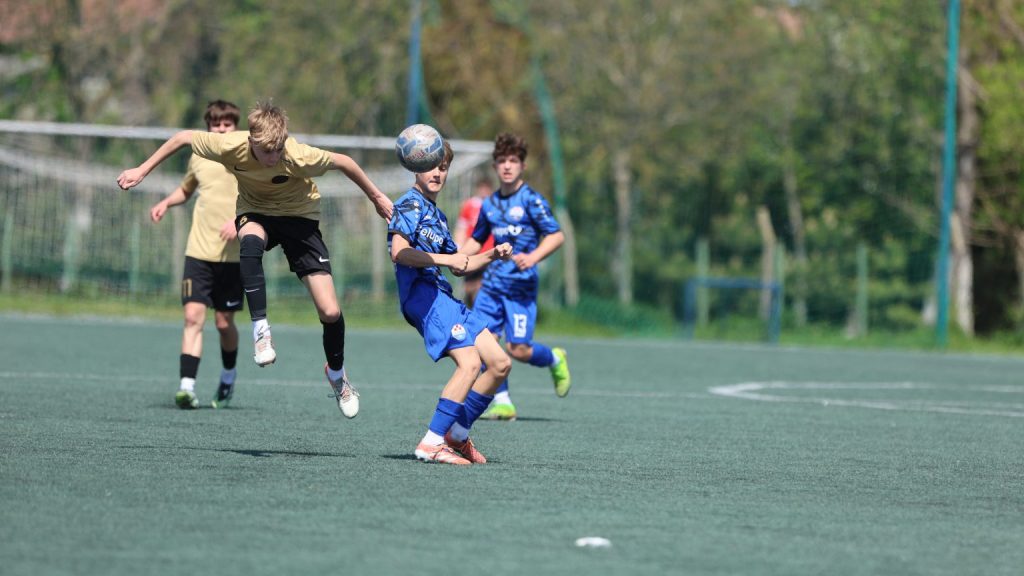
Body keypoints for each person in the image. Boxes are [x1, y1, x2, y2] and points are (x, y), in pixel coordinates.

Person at [118, 100, 393, 419]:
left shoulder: (297, 155)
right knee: (249, 242)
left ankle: (337, 374)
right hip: (255, 212)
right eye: (267, 152)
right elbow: (182, 138)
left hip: (299, 218)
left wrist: (376, 197)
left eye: (278, 150)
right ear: (251, 141)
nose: (274, 157)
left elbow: (345, 162)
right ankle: (261, 331)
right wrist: (141, 170)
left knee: (330, 311)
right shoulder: (230, 145)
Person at [388, 139, 513, 465]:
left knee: (499, 363)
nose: (438, 173)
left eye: (443, 167)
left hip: (444, 296)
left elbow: (460, 264)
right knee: (470, 363)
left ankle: (456, 434)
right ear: (416, 167)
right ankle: (431, 442)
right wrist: (446, 260)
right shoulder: (409, 204)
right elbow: (399, 252)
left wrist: (493, 253)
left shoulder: (439, 217)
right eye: (431, 166)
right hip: (424, 297)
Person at [457, 132, 571, 421]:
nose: (507, 166)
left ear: (522, 165)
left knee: (517, 349)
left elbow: (556, 236)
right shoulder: (489, 204)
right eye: (502, 161)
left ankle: (554, 358)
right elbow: (476, 239)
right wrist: (458, 258)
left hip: (521, 289)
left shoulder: (532, 200)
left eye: (513, 161)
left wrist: (533, 257)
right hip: (491, 287)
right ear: (495, 166)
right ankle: (503, 402)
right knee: (482, 343)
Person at [148, 100, 243, 410]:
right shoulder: (199, 156)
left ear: (236, 127)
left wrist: (240, 221)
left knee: (224, 324)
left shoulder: (247, 157)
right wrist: (166, 202)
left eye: (227, 124)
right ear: (208, 127)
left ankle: (228, 376)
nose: (221, 130)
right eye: (216, 124)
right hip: (198, 253)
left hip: (233, 258)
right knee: (192, 317)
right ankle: (186, 387)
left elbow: (263, 199)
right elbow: (187, 190)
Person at [454, 177, 495, 308]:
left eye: (486, 188)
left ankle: (483, 313)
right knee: (469, 287)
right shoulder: (469, 205)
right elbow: (461, 227)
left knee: (483, 287)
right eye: (481, 188)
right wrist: (459, 248)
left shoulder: (495, 205)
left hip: (489, 253)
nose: (484, 191)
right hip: (471, 253)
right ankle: (471, 310)